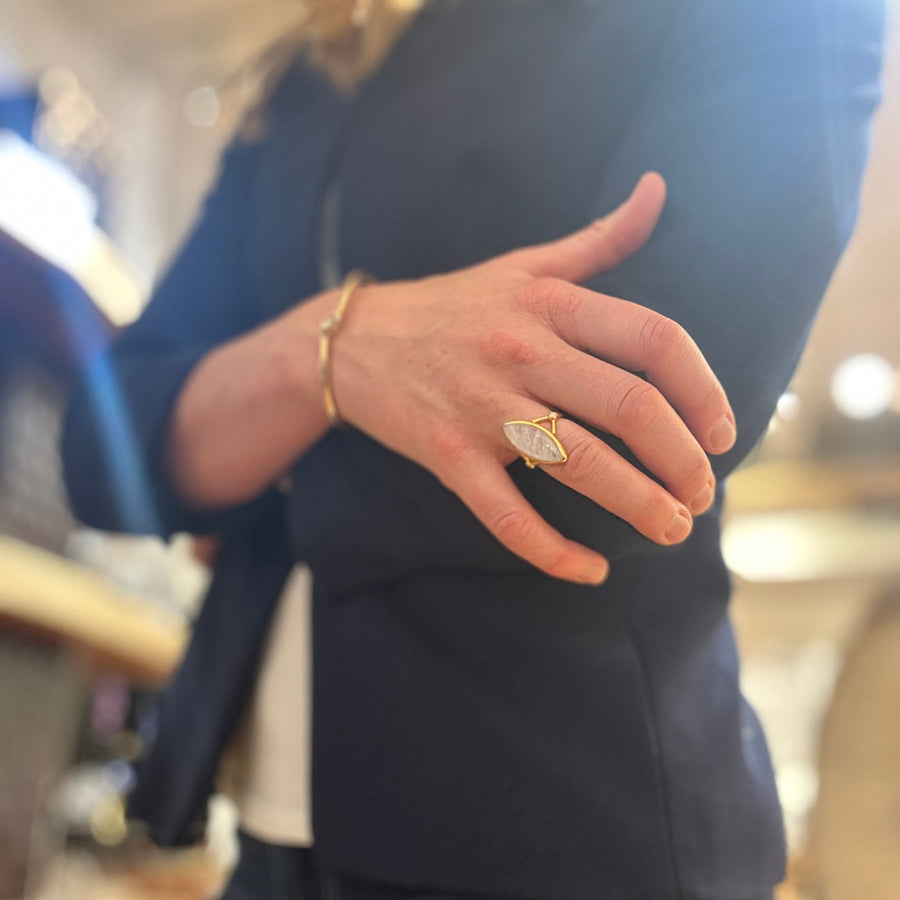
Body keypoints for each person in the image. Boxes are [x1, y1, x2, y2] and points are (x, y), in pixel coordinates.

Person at [61, 1, 885, 898]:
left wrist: (261, 450)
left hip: (564, 836)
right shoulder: (320, 66)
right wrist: (337, 349)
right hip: (266, 846)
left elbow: (620, 460)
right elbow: (107, 454)